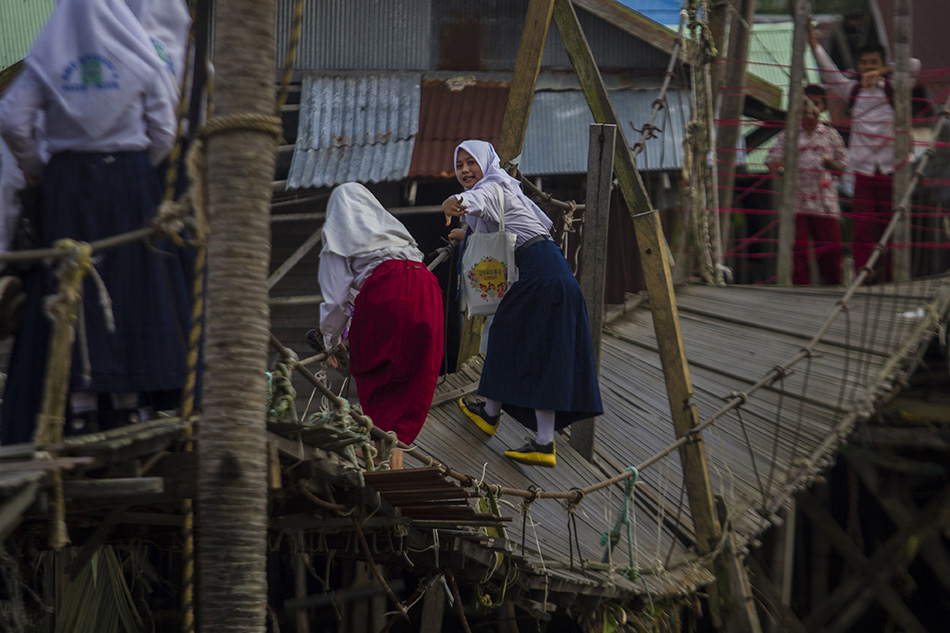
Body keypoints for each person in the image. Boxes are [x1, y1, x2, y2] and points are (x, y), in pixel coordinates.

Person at [0, 0, 189, 443]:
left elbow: (12, 119)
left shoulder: (49, 57)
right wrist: (137, 168)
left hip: (67, 184)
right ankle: (130, 404)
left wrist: (39, 166)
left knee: (71, 287)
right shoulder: (141, 56)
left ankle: (81, 407)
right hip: (131, 182)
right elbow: (166, 131)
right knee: (130, 287)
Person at [443, 140, 603, 467]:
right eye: (459, 165)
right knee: (532, 346)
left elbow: (473, 201)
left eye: (471, 162)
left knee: (510, 336)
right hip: (553, 271)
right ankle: (521, 429)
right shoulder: (507, 188)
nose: (465, 170)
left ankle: (499, 418)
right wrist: (467, 235)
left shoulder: (490, 188)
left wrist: (453, 202)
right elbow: (516, 229)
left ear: (486, 163)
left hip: (541, 274)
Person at [318, 182, 444, 468]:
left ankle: (378, 453)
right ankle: (392, 456)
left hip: (388, 290)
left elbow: (335, 300)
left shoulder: (337, 237)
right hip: (426, 286)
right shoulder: (394, 231)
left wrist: (330, 341)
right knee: (416, 369)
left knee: (378, 367)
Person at [808, 22, 917, 281]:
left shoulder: (895, 87)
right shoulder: (851, 90)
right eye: (865, 63)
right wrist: (812, 42)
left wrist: (882, 72)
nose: (868, 67)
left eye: (874, 62)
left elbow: (914, 64)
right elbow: (828, 69)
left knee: (892, 227)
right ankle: (863, 278)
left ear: (883, 64)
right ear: (858, 66)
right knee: (862, 229)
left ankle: (891, 279)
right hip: (863, 170)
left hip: (892, 168)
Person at [767, 96, 848, 285]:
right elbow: (771, 159)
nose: (809, 110)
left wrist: (830, 164)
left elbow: (842, 167)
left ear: (823, 108)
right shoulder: (789, 134)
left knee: (829, 249)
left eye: (815, 104)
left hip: (825, 203)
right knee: (798, 249)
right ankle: (800, 290)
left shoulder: (830, 134)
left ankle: (833, 287)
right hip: (796, 202)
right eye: (804, 106)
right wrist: (777, 161)